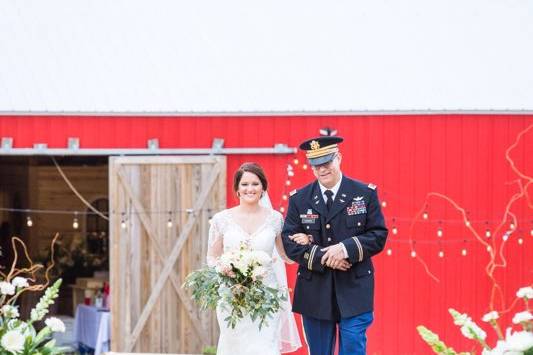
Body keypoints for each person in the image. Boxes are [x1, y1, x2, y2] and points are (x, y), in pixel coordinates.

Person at [282, 136, 388, 355]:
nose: (322, 169)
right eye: (316, 165)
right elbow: (289, 242)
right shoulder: (299, 199)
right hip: (315, 289)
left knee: (353, 347)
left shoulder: (364, 194)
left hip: (355, 287)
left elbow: (378, 235)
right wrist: (326, 256)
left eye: (327, 162)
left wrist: (345, 249)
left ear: (338, 158)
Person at [206, 162, 305, 355]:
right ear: (237, 189)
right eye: (244, 184)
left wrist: (302, 243)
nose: (250, 189)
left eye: (255, 184)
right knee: (234, 347)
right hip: (232, 298)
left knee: (264, 346)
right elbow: (212, 257)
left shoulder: (275, 219)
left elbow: (285, 255)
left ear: (263, 188)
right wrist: (226, 272)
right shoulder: (221, 219)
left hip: (266, 296)